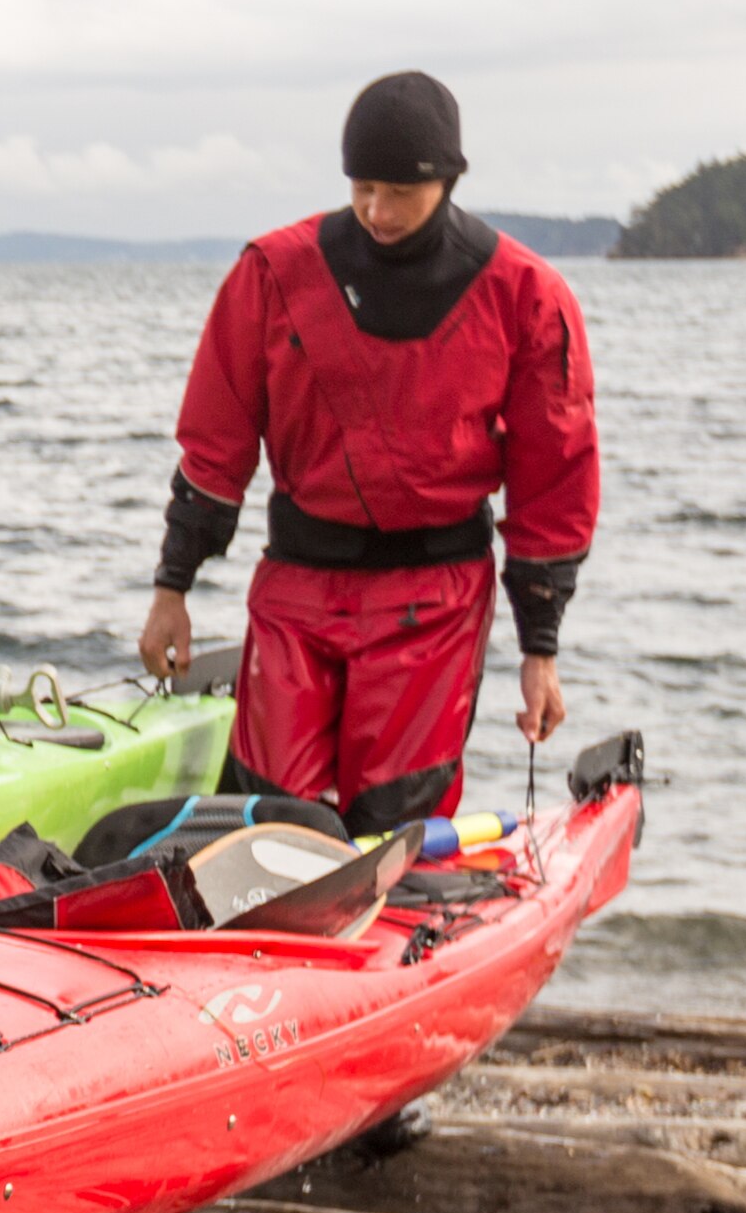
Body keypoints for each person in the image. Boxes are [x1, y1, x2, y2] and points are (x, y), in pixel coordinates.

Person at [132, 72, 598, 829]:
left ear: (447, 181)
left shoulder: (527, 296)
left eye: (398, 193)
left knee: (389, 825)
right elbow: (214, 447)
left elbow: (554, 485)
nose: (377, 212)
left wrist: (539, 652)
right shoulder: (272, 273)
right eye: (362, 188)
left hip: (434, 602)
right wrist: (170, 589)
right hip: (297, 587)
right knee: (264, 816)